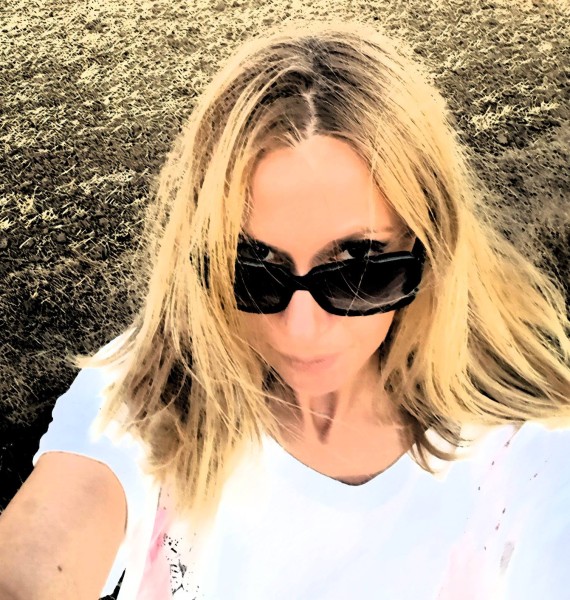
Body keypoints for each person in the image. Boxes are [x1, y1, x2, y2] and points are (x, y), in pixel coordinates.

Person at [1, 18, 569, 600]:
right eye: (252, 266)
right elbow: (37, 562)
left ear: (432, 247)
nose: (300, 329)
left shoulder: (526, 447)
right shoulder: (155, 387)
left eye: (358, 267)